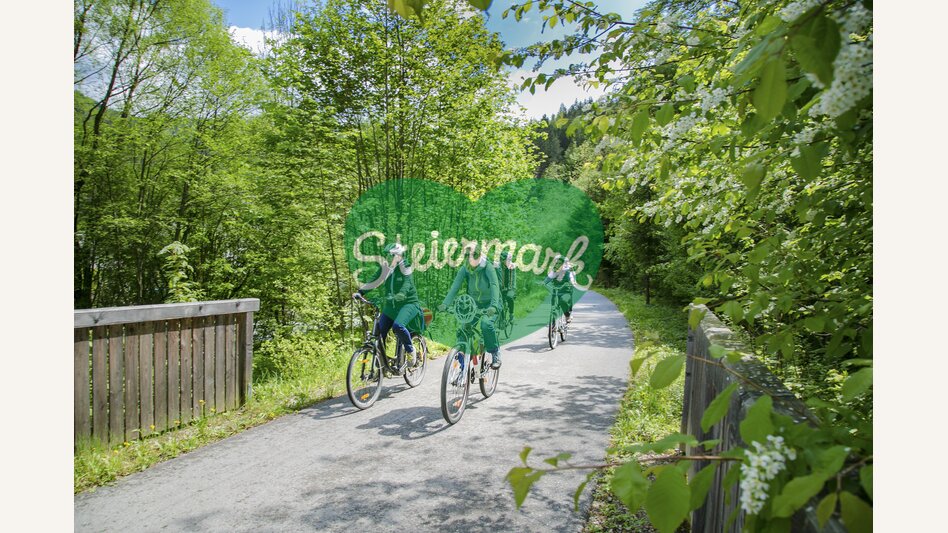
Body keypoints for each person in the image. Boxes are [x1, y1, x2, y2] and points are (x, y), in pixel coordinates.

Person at [353, 242, 421, 371]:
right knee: (379, 331)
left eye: (390, 255)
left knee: (398, 326)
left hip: (408, 304)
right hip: (392, 305)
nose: (388, 258)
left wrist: (401, 294)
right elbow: (375, 279)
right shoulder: (386, 267)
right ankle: (382, 364)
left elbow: (407, 283)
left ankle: (410, 351)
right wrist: (360, 292)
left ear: (399, 256)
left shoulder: (405, 266)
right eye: (387, 256)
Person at [439, 243, 503, 369]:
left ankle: (495, 352)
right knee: (464, 329)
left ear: (479, 255)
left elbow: (495, 286)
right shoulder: (465, 268)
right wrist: (445, 304)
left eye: (474, 254)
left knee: (486, 325)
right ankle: (463, 361)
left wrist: (494, 306)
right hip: (473, 304)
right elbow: (455, 287)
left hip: (491, 303)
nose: (470, 257)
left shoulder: (487, 267)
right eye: (467, 255)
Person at [544, 257, 576, 323]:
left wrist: (572, 283)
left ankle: (567, 316)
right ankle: (553, 323)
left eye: (560, 263)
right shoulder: (554, 270)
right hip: (556, 290)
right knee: (553, 304)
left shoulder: (568, 271)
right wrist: (544, 283)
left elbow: (572, 279)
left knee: (563, 301)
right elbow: (549, 277)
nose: (558, 264)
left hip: (565, 290)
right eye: (557, 263)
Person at [495, 250, 517, 325]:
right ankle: (502, 319)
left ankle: (511, 315)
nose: (502, 260)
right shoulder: (498, 266)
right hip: (501, 288)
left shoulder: (512, 267)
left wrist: (510, 288)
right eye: (501, 259)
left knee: (509, 297)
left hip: (510, 288)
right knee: (499, 301)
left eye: (504, 259)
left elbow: (512, 279)